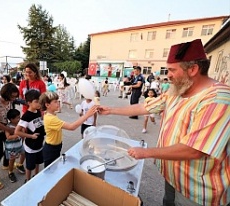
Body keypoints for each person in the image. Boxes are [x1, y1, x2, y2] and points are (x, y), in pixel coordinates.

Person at [98, 39, 230, 206]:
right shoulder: (178, 90)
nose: (168, 75)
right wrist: (110, 110)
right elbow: (146, 107)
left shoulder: (218, 99)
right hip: (173, 177)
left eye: (172, 70)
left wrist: (146, 152)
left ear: (193, 69)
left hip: (198, 190)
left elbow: (194, 150)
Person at [39, 92, 98, 168]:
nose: (58, 103)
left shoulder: (50, 114)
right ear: (47, 105)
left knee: (54, 167)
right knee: (50, 170)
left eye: (58, 101)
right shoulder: (50, 119)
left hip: (55, 146)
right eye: (55, 102)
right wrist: (87, 115)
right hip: (51, 148)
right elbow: (71, 127)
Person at [18, 63, 46, 173]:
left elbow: (43, 99)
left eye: (30, 72)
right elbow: (20, 96)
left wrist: (42, 113)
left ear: (35, 72)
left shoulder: (40, 83)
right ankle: (23, 162)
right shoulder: (23, 83)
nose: (27, 74)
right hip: (26, 112)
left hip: (38, 113)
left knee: (36, 137)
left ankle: (32, 163)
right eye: (26, 72)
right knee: (26, 137)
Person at [15, 90, 45, 183]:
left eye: (39, 101)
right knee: (29, 165)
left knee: (38, 162)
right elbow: (17, 131)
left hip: (39, 144)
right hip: (31, 146)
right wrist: (30, 136)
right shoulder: (26, 116)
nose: (39, 103)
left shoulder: (38, 111)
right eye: (36, 101)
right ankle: (27, 180)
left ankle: (36, 176)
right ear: (29, 103)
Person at [4, 109, 23, 183]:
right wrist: (17, 134)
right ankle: (10, 172)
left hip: (19, 144)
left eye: (19, 117)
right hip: (12, 147)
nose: (19, 119)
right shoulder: (8, 127)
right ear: (11, 119)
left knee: (24, 153)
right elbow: (8, 137)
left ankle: (20, 164)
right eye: (17, 118)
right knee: (12, 160)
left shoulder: (19, 125)